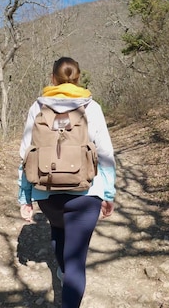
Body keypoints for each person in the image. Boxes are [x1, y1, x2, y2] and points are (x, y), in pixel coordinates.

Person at [17, 57, 116, 308]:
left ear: (52, 78)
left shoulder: (37, 107)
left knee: (58, 229)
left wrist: (25, 197)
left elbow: (26, 153)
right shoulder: (91, 107)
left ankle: (62, 270)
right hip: (87, 193)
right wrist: (108, 193)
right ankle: (69, 280)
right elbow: (105, 155)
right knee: (77, 262)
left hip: (46, 192)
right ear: (78, 78)